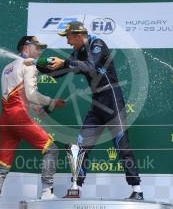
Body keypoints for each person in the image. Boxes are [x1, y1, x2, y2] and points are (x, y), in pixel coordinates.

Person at [25, 21, 144, 200]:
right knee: (82, 146)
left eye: (69, 38)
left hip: (112, 101)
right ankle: (76, 188)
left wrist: (64, 61)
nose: (67, 42)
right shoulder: (78, 51)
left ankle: (138, 189)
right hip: (97, 103)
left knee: (121, 145)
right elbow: (59, 72)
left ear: (79, 35)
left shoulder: (98, 44)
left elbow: (88, 66)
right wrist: (39, 63)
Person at [0, 36, 65, 208]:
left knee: (3, 163)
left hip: (5, 119)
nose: (39, 52)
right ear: (25, 47)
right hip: (19, 117)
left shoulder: (7, 67)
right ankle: (47, 192)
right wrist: (51, 102)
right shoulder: (29, 64)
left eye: (41, 49)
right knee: (51, 149)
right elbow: (30, 94)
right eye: (36, 48)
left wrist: (34, 107)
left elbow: (16, 95)